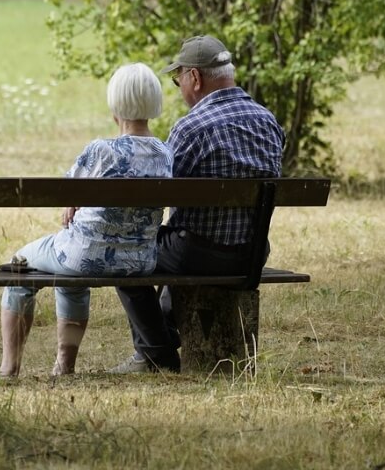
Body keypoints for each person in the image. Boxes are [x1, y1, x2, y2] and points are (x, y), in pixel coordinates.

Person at [109, 35, 286, 374]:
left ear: (194, 77)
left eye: (178, 81)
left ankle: (156, 355)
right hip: (251, 254)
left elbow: (159, 194)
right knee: (176, 242)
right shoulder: (268, 122)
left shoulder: (191, 128)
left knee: (124, 253)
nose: (179, 89)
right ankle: (159, 343)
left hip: (198, 254)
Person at [0, 62, 174, 378]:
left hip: (83, 256)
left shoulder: (101, 150)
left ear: (114, 105)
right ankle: (63, 366)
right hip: (139, 262)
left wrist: (73, 202)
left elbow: (66, 191)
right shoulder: (165, 153)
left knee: (20, 264)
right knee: (69, 274)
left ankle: (9, 367)